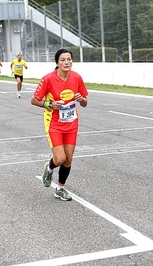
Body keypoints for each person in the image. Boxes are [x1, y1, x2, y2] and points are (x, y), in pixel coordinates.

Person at [31, 48, 88, 201]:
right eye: (62, 60)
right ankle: (49, 168)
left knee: (69, 158)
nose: (66, 62)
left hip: (71, 124)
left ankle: (60, 188)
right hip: (54, 124)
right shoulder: (48, 79)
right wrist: (50, 105)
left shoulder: (77, 78)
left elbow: (84, 103)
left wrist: (81, 99)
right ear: (57, 63)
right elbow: (34, 100)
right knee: (60, 159)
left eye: (69, 59)